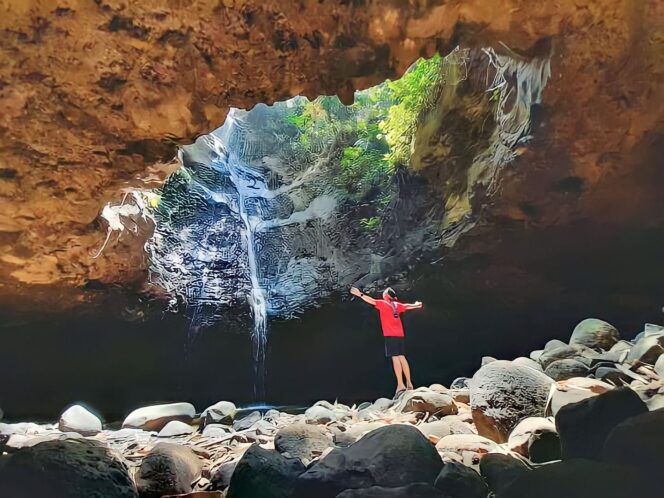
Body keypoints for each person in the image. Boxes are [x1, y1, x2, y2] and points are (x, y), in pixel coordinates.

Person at [350, 286, 423, 397]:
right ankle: (409, 383)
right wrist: (417, 305)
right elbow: (407, 306)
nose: (382, 294)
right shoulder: (397, 305)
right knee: (402, 357)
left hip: (390, 335)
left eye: (384, 293)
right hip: (400, 335)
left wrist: (360, 294)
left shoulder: (384, 304)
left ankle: (400, 384)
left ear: (387, 296)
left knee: (395, 358)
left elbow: (372, 301)